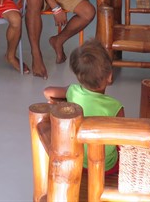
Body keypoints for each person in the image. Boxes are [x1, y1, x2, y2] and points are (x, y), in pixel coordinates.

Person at [43, 39, 124, 175]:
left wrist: (64, 101)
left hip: (75, 159)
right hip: (105, 167)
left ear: (79, 77)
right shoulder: (116, 107)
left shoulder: (73, 91)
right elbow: (121, 139)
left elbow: (47, 92)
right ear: (109, 76)